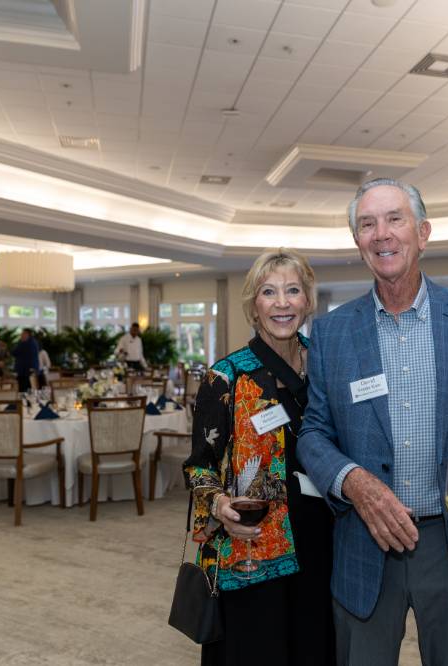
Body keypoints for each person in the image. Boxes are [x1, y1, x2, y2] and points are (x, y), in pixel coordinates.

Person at [297, 178, 448, 666]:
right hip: (366, 540)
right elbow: (313, 432)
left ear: (422, 233)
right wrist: (354, 483)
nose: (381, 233)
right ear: (358, 243)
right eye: (367, 224)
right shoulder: (331, 333)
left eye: (394, 219)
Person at [183, 248, 335, 666]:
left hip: (325, 540)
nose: (282, 302)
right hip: (255, 545)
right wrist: (219, 505)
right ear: (254, 304)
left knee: (317, 647)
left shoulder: (327, 366)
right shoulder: (227, 377)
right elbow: (199, 467)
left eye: (293, 290)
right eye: (269, 292)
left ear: (308, 300)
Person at [11, 328, 39, 393]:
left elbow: (14, 352)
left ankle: (24, 402)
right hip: (29, 370)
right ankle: (27, 401)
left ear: (27, 334)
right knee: (28, 388)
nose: (21, 335)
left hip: (25, 371)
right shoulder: (34, 342)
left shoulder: (25, 343)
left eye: (23, 334)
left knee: (23, 390)